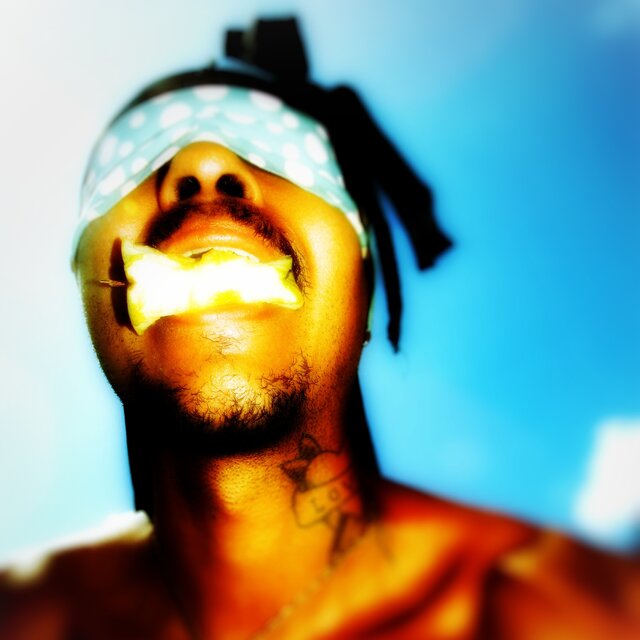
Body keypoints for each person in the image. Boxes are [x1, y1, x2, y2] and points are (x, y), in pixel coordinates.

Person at [1, 17, 638, 640]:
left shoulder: (574, 614)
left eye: (276, 144)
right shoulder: (21, 613)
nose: (203, 162)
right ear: (84, 285)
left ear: (366, 282)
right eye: (133, 158)